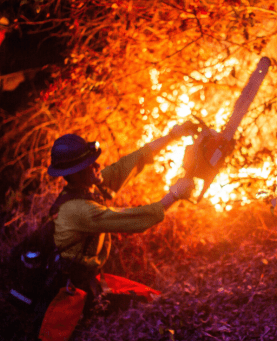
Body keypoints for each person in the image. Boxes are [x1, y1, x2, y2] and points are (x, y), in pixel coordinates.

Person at [47, 122, 197, 311]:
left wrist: (172, 136)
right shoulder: (77, 210)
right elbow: (132, 220)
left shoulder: (87, 186)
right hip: (76, 290)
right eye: (89, 163)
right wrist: (175, 195)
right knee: (155, 307)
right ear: (76, 174)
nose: (97, 165)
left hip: (92, 279)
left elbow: (132, 162)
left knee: (154, 298)